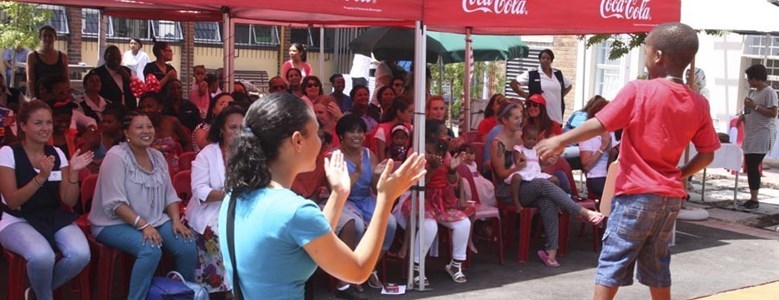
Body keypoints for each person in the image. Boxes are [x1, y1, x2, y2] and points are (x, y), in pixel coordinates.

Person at [536, 23, 720, 300]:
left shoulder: (639, 90)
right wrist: (680, 174)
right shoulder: (698, 103)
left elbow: (599, 123)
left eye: (645, 50)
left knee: (612, 262)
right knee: (658, 266)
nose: (644, 57)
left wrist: (559, 140)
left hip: (636, 195)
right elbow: (707, 154)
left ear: (658, 55)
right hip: (669, 198)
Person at [217, 92, 425, 298]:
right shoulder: (295, 211)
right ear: (297, 141)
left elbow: (312, 242)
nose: (322, 141)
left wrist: (338, 193)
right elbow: (359, 271)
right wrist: (385, 199)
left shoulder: (234, 198)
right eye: (317, 133)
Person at [89, 110, 197, 300]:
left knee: (187, 244)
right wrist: (143, 225)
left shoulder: (157, 156)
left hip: (153, 220)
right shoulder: (116, 156)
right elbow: (115, 204)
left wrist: (175, 221)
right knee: (150, 249)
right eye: (139, 127)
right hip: (112, 223)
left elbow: (169, 195)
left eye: (149, 126)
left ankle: (182, 294)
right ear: (126, 133)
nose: (146, 131)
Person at [490, 101, 604, 268]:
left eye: (520, 117)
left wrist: (544, 163)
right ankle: (580, 211)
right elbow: (501, 174)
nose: (519, 121)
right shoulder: (497, 144)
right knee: (543, 185)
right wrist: (517, 167)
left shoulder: (524, 136)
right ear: (505, 120)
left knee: (547, 200)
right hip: (510, 188)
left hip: (529, 183)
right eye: (515, 118)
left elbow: (534, 166)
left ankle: (551, 253)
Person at [0, 100, 92, 300]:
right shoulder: (8, 154)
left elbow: (68, 200)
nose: (46, 128)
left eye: (48, 122)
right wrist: (40, 177)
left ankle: (37, 292)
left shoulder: (57, 154)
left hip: (51, 216)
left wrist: (74, 174)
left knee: (80, 254)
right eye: (38, 123)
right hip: (16, 219)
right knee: (42, 257)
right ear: (23, 126)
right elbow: (13, 201)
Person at [400, 119, 473, 284]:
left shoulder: (444, 152)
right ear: (432, 135)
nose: (447, 136)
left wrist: (453, 168)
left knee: (464, 223)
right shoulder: (416, 151)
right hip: (420, 197)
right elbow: (417, 183)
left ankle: (455, 264)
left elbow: (452, 181)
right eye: (443, 133)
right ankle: (417, 266)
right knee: (429, 225)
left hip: (442, 199)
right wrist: (431, 168)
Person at [185, 105, 244, 295]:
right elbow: (199, 189)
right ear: (221, 129)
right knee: (219, 235)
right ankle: (221, 290)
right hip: (211, 212)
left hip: (243, 210)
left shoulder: (252, 153)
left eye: (242, 127)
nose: (238, 132)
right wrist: (229, 193)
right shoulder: (207, 154)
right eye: (233, 127)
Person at [336, 114, 400, 291]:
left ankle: (369, 268)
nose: (357, 136)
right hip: (344, 200)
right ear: (341, 135)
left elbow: (374, 187)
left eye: (360, 132)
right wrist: (356, 172)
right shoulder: (335, 156)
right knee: (355, 225)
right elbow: (338, 190)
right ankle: (348, 272)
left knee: (390, 222)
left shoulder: (368, 154)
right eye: (351, 132)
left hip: (365, 199)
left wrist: (379, 175)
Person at [737, 64, 778, 210]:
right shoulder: (754, 93)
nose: (749, 81)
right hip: (751, 133)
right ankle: (752, 197)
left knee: (754, 164)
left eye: (750, 79)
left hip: (762, 133)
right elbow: (750, 111)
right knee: (750, 164)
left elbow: (773, 113)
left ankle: (754, 199)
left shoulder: (769, 92)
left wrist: (754, 106)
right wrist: (742, 116)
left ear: (757, 78)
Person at [509, 48, 572, 127]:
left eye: (548, 58)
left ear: (551, 61)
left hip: (556, 116)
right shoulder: (532, 73)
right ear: (539, 60)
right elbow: (513, 83)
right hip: (539, 116)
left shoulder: (558, 74)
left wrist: (560, 96)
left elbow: (569, 85)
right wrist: (525, 95)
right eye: (543, 58)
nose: (545, 60)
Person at [138, 93, 192, 172]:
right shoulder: (140, 128)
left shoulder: (172, 121)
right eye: (142, 107)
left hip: (174, 170)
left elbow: (187, 143)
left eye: (149, 106)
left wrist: (185, 161)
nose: (145, 110)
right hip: (151, 171)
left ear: (160, 107)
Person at [577, 99, 611, 197]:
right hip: (597, 177)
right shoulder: (587, 135)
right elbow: (586, 165)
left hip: (610, 175)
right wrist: (602, 147)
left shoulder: (611, 131)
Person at [26, 26, 69, 99]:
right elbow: (30, 79)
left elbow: (66, 78)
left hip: (59, 97)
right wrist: (32, 98)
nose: (47, 38)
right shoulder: (32, 56)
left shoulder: (63, 56)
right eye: (44, 35)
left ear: (55, 38)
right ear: (40, 37)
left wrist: (67, 95)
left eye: (50, 36)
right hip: (40, 96)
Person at [372, 96, 413, 162]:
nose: (412, 114)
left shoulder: (410, 128)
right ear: (399, 112)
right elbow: (381, 159)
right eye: (410, 111)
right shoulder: (382, 130)